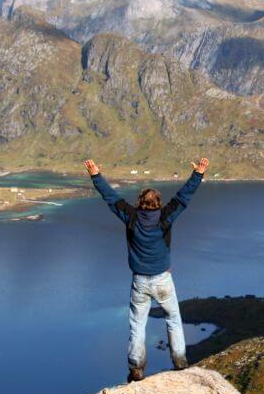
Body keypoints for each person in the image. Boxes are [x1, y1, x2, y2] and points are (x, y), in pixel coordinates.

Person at [85, 157, 208, 382]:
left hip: (139, 281)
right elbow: (183, 197)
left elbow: (111, 198)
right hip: (163, 280)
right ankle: (180, 363)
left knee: (137, 325)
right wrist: (198, 174)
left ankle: (136, 369)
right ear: (158, 203)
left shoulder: (131, 217)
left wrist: (96, 175)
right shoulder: (165, 217)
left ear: (140, 202)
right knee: (173, 319)